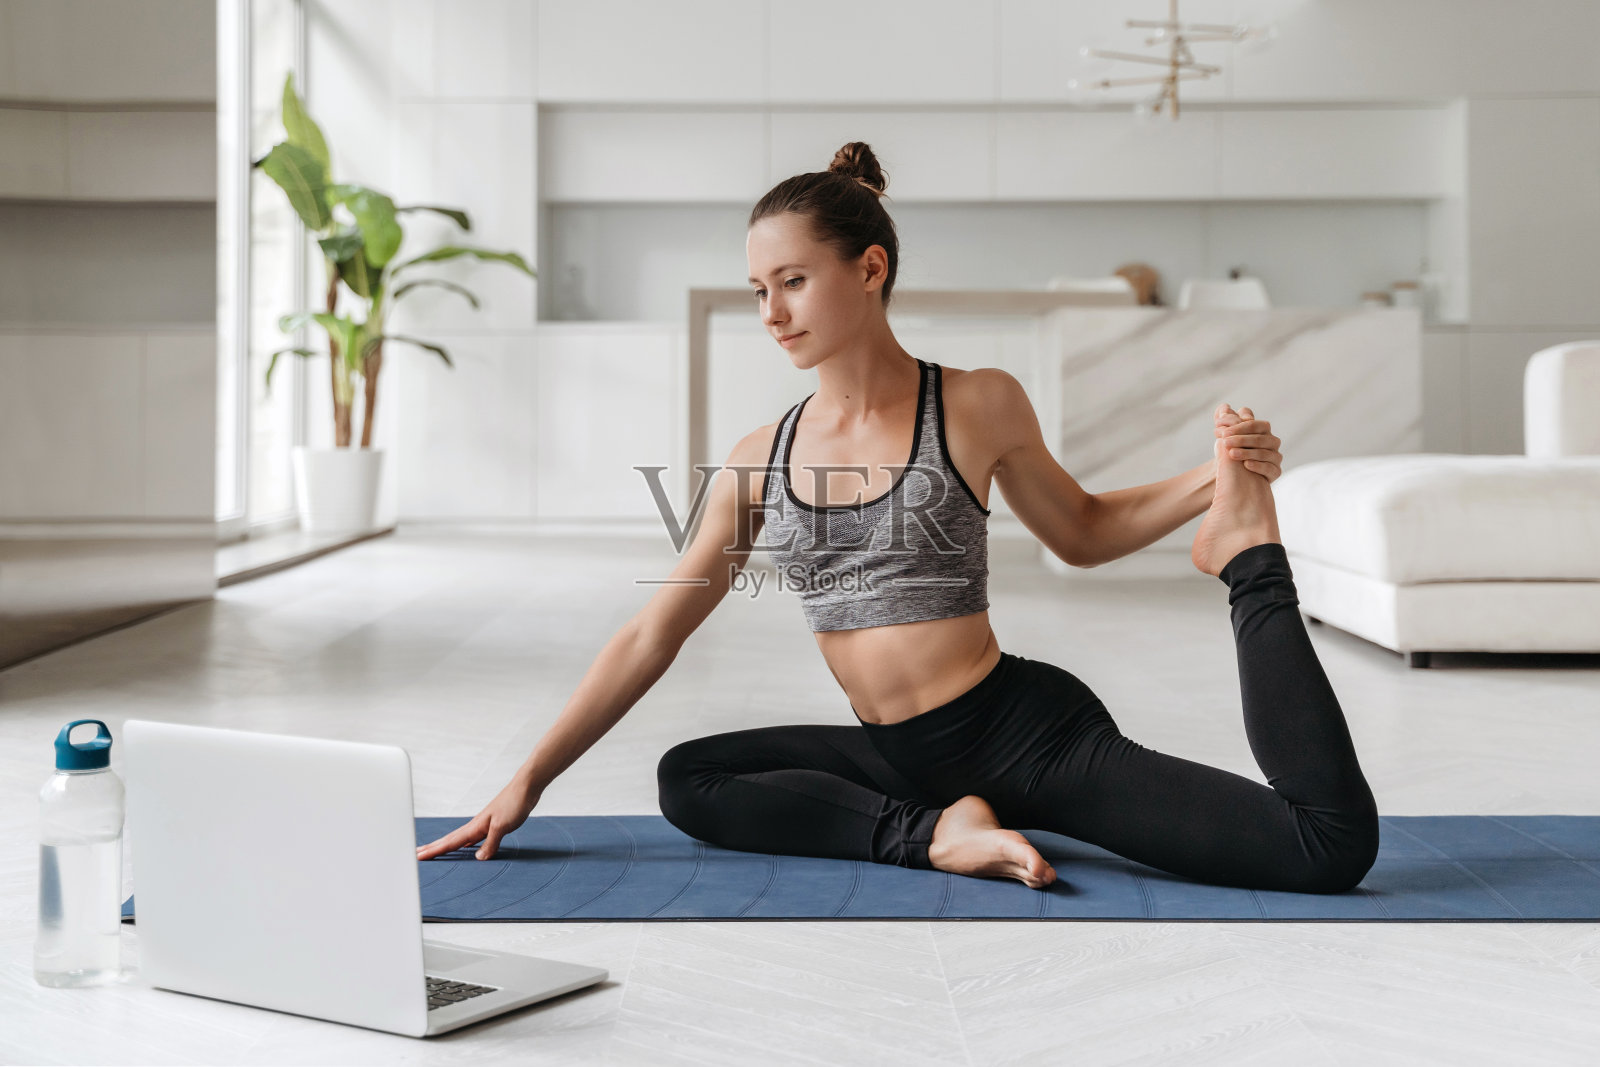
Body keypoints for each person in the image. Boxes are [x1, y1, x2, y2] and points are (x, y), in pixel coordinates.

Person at [417, 142, 1381, 895]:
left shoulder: (972, 404)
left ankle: (1249, 554)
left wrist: (1214, 483)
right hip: (900, 757)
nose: (771, 311)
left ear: (868, 267)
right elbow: (650, 634)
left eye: (792, 281)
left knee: (1326, 847)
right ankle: (937, 833)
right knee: (688, 778)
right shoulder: (762, 456)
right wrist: (528, 779)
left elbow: (1081, 533)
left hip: (1024, 739)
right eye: (760, 290)